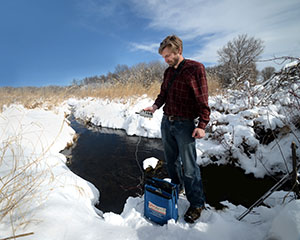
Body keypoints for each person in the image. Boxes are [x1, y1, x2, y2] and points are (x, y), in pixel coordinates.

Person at [144, 35, 210, 223]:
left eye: (168, 56)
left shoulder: (195, 68)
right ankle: (177, 187)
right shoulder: (168, 72)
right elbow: (163, 93)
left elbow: (202, 99)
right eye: (163, 57)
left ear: (178, 51)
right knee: (171, 162)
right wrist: (155, 106)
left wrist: (202, 124)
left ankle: (197, 203)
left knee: (189, 167)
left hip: (185, 124)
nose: (165, 60)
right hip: (167, 122)